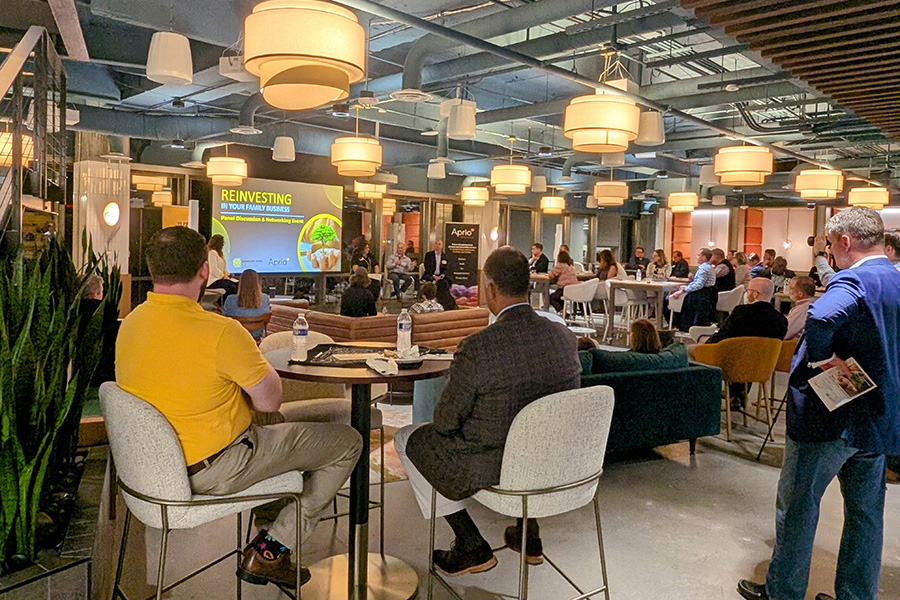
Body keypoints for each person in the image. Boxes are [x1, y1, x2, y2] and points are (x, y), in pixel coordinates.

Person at [116, 226, 362, 589]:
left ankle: (270, 515)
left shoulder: (130, 324)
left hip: (152, 471)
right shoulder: (221, 332)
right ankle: (272, 549)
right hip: (218, 466)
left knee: (283, 426)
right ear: (204, 270)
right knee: (347, 442)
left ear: (152, 269)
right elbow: (270, 399)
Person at [738, 207, 900, 600]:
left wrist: (823, 358)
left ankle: (784, 590)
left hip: (831, 418)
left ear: (845, 242)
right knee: (866, 516)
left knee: (799, 506)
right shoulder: (895, 280)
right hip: (877, 418)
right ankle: (856, 594)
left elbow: (822, 315)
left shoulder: (853, 280)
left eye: (829, 244)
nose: (828, 252)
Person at [393, 247, 581, 576]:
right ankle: (528, 534)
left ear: (489, 288)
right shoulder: (563, 338)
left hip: (494, 470)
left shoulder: (478, 347)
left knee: (408, 438)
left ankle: (469, 543)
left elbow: (445, 423)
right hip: (559, 467)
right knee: (529, 434)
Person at [705, 277, 787, 344]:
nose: (747, 293)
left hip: (733, 357)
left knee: (693, 349)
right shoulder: (781, 320)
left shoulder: (742, 311)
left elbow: (723, 334)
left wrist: (706, 343)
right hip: (765, 362)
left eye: (748, 290)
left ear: (755, 294)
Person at [669, 248, 716, 331]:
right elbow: (698, 282)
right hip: (707, 293)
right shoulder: (707, 267)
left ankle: (686, 327)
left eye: (698, 255)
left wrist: (684, 290)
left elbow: (699, 284)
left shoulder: (704, 268)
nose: (696, 257)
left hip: (701, 294)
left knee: (692, 311)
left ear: (704, 257)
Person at [223, 269, 271, 341]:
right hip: (256, 338)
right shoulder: (265, 298)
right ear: (258, 282)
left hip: (235, 338)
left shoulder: (230, 300)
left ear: (241, 282)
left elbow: (225, 318)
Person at [423, 240, 458, 311]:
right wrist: (433, 276)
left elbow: (446, 268)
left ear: (442, 246)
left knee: (445, 283)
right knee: (433, 283)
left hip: (440, 276)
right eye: (436, 244)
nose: (437, 245)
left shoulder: (445, 256)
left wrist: (442, 275)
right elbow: (427, 267)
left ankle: (445, 302)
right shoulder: (429, 255)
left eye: (439, 244)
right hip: (430, 274)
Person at [783, 276, 816, 341]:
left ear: (800, 294)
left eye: (791, 289)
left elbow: (785, 333)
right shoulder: (814, 304)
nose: (789, 292)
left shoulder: (802, 310)